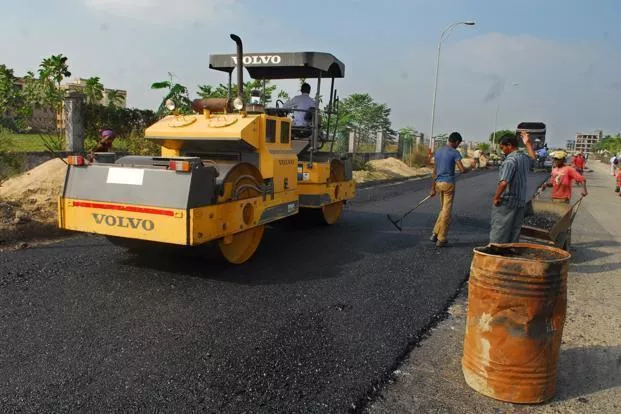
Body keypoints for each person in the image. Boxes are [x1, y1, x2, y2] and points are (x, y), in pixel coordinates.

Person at [489, 132, 536, 244]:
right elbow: (533, 159)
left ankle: (496, 253)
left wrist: (496, 197)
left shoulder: (510, 161)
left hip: (507, 202)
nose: (502, 150)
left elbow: (504, 183)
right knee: (514, 231)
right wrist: (528, 144)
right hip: (520, 201)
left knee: (500, 230)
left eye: (502, 147)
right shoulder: (524, 158)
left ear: (509, 145)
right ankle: (511, 252)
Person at [429, 132, 470, 247]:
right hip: (448, 185)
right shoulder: (455, 153)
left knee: (443, 209)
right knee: (447, 212)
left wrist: (432, 188)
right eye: (459, 143)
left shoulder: (438, 151)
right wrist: (470, 168)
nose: (458, 145)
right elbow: (462, 170)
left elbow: (434, 171)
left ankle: (435, 233)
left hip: (438, 183)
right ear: (456, 142)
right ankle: (442, 238)